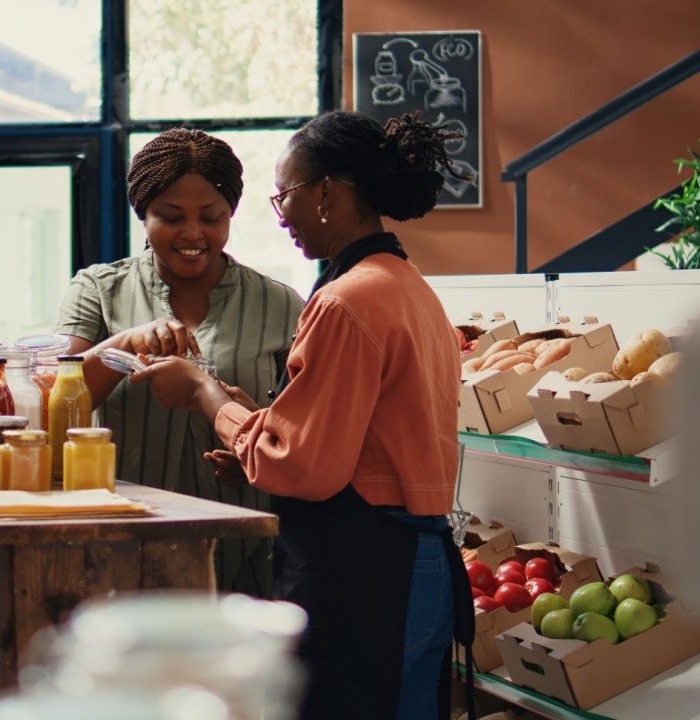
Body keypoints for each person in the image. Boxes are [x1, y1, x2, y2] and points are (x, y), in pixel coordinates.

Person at [130, 111, 475, 720]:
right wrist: (254, 437)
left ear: (324, 193)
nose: (281, 213)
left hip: (366, 573)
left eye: (284, 195)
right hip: (412, 560)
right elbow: (349, 441)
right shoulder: (407, 285)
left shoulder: (344, 301)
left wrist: (206, 396)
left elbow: (306, 465)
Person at [53, 128, 305, 597]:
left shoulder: (281, 304)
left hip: (245, 548)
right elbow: (54, 394)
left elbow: (304, 428)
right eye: (170, 217)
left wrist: (253, 439)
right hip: (124, 540)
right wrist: (123, 343)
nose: (193, 233)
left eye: (211, 217)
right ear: (142, 216)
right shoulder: (98, 290)